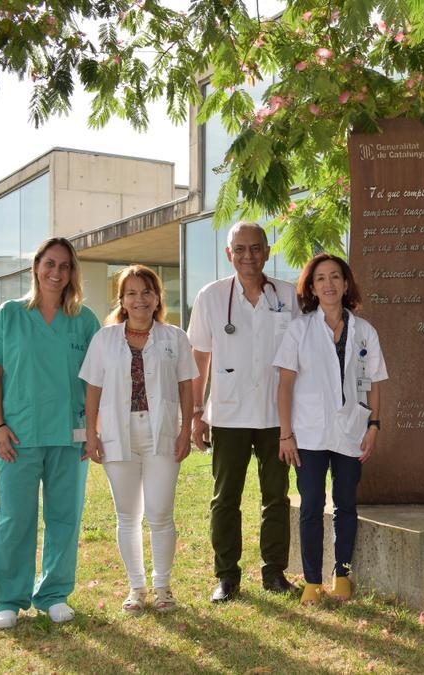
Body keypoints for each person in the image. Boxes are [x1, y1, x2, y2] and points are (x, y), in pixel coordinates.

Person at [0, 237, 101, 630]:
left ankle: (53, 594)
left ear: (72, 273)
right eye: (50, 263)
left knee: (65, 516)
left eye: (65, 266)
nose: (56, 272)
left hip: (70, 435)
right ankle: (9, 599)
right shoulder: (9, 315)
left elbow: (98, 380)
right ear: (36, 266)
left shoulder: (84, 320)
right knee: (14, 517)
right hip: (18, 434)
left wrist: (92, 431)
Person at [187, 222, 299, 602]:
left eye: (256, 248)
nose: (248, 256)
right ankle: (227, 577)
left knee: (277, 496)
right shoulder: (211, 296)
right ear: (228, 254)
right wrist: (196, 412)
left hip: (276, 417)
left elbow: (303, 355)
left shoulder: (288, 295)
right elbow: (199, 357)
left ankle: (274, 573)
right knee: (225, 498)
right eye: (240, 249)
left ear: (268, 252)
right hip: (229, 416)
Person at [80, 265, 198, 613]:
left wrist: (185, 430)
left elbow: (186, 386)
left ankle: (163, 587)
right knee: (127, 515)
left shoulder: (174, 337)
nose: (140, 299)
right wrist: (91, 432)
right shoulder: (105, 339)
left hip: (161, 432)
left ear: (157, 297)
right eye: (131, 293)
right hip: (118, 431)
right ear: (122, 300)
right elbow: (93, 389)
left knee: (161, 512)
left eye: (146, 291)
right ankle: (136, 588)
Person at [274, 254, 387, 604]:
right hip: (307, 433)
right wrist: (285, 433)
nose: (329, 284)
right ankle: (311, 581)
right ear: (311, 287)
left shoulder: (364, 331)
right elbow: (285, 384)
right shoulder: (299, 329)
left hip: (351, 430)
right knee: (311, 505)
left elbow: (374, 382)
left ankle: (342, 575)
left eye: (335, 277)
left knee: (345, 505)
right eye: (320, 278)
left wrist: (374, 425)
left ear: (346, 283)